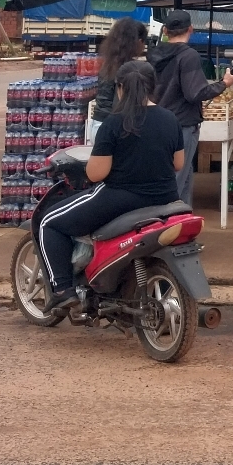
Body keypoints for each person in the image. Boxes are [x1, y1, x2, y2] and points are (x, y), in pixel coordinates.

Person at [37, 60, 185, 311]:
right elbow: (178, 164)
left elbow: (96, 174)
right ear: (153, 86)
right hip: (165, 199)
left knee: (49, 222)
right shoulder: (170, 119)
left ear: (120, 88)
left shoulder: (114, 123)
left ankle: (62, 289)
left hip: (120, 200)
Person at [149, 9, 233, 206]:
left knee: (182, 175)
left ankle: (182, 218)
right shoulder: (188, 56)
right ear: (191, 29)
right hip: (182, 125)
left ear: (165, 30)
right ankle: (167, 218)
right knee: (178, 179)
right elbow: (195, 93)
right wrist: (224, 83)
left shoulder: (153, 54)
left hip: (157, 122)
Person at [92, 18, 149, 124]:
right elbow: (121, 104)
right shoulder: (128, 69)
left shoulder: (108, 63)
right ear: (139, 42)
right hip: (115, 123)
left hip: (98, 120)